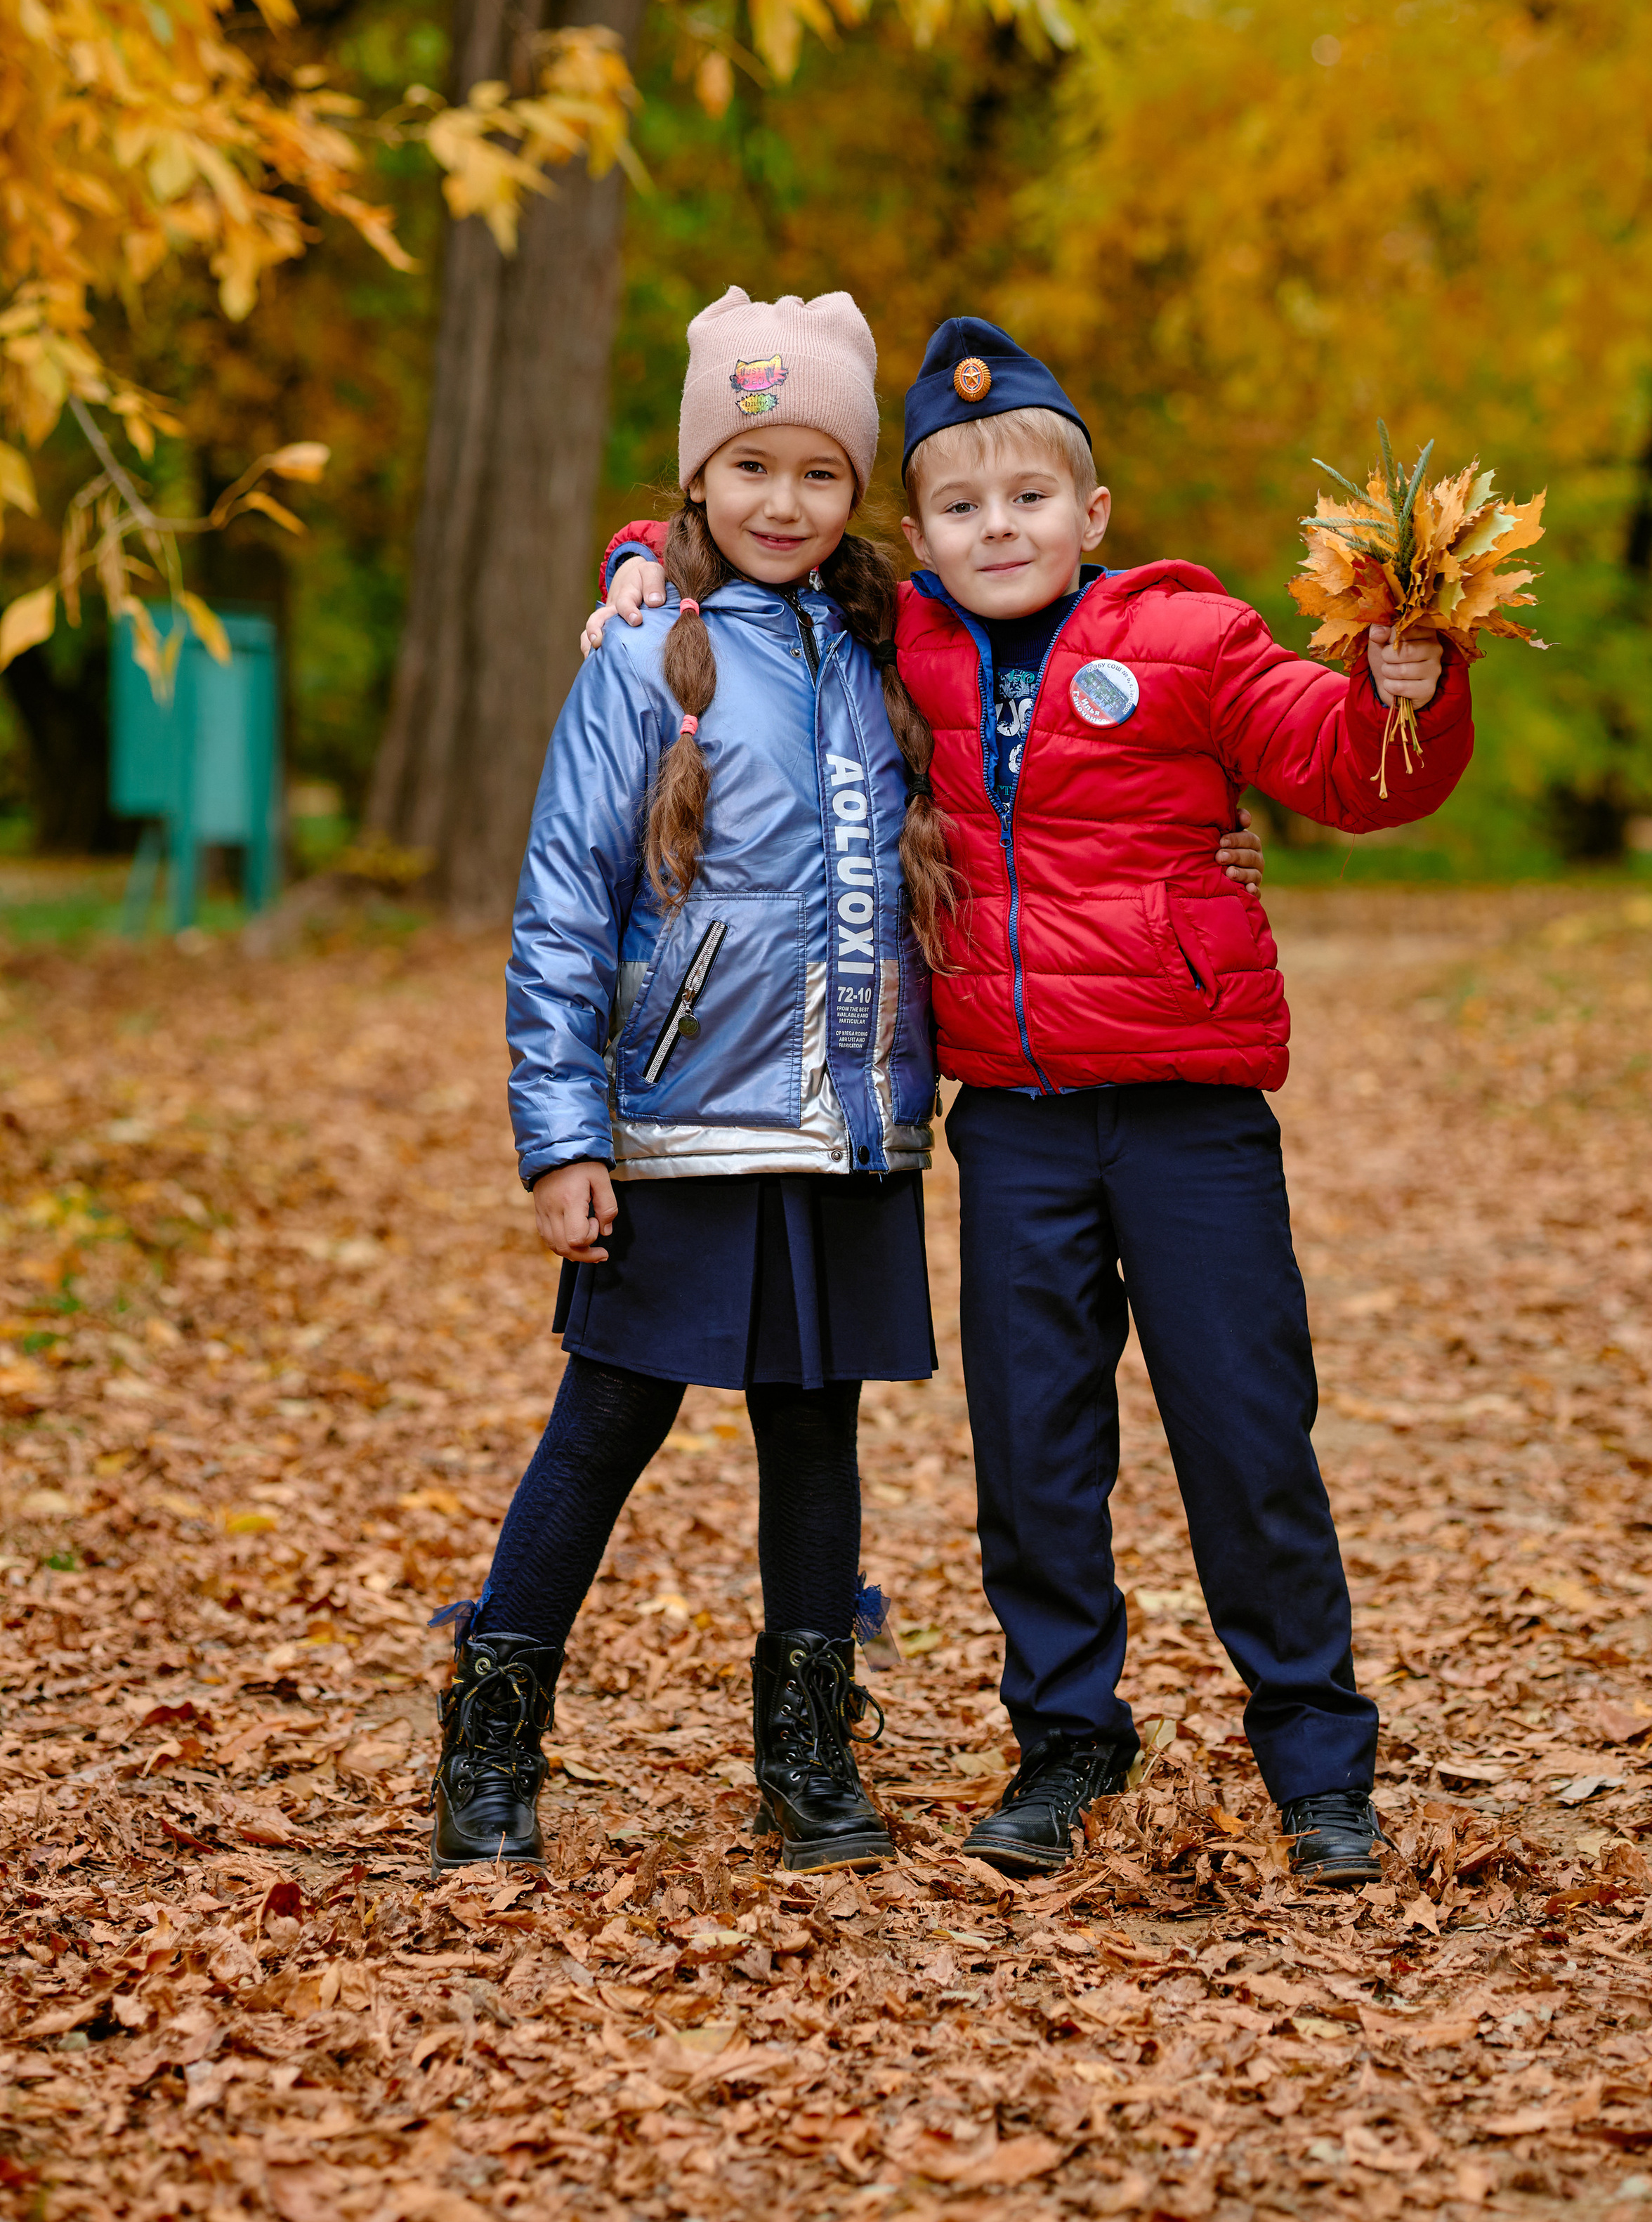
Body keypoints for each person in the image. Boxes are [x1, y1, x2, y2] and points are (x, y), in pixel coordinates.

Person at [589, 315, 1473, 1890]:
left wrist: (1404, 681)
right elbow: (749, 554)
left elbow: (1350, 769)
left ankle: (1315, 1757)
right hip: (1008, 1121)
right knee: (1034, 1449)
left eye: (1028, 501)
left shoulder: (1190, 640)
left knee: (1244, 1433)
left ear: (1093, 516)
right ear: (915, 534)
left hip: (1187, 1115)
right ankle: (1065, 1737)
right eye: (959, 508)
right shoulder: (894, 643)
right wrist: (637, 566)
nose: (997, 530)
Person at [433, 287, 952, 1876]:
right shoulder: (647, 658)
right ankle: (491, 1722)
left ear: (851, 490)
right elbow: (563, 904)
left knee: (816, 1432)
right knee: (610, 1419)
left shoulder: (886, 653)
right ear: (697, 484)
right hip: (675, 1121)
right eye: (749, 469)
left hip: (844, 1125)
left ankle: (804, 1745)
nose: (781, 503)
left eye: (816, 472)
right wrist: (561, 1134)